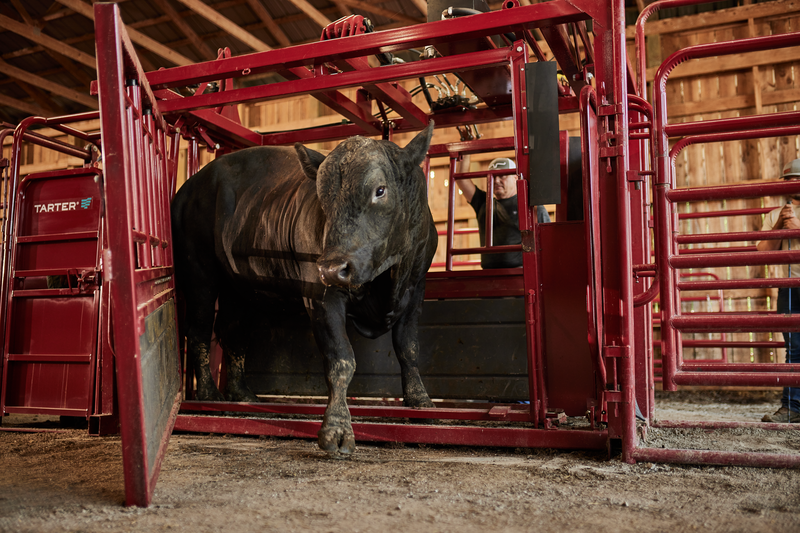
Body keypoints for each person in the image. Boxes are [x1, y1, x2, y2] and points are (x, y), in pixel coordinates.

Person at [757, 158, 800, 423]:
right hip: (791, 287)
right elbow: (762, 252)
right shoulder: (776, 213)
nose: (792, 183)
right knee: (794, 348)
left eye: (796, 178)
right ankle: (792, 407)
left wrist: (796, 229)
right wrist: (780, 229)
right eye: (789, 179)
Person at [456, 154, 550, 269]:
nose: (496, 181)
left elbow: (547, 240)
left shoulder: (531, 206)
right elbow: (462, 180)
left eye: (502, 176)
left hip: (521, 273)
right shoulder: (483, 202)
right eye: (492, 177)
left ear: (515, 178)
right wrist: (467, 147)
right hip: (488, 273)